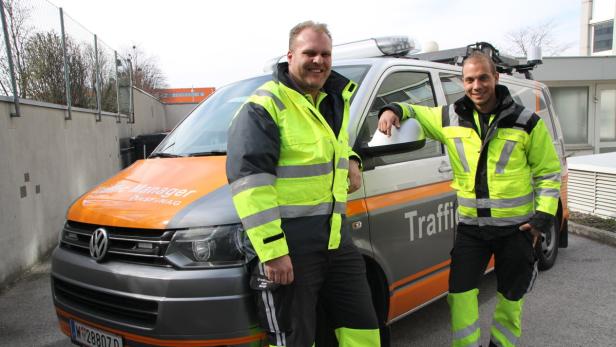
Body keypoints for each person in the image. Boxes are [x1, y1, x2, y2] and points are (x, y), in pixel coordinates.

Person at [378, 51, 561, 347]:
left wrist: (542, 217)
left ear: (496, 78)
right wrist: (392, 109)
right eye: (469, 79)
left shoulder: (526, 121)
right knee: (459, 294)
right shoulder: (450, 116)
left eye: (483, 78)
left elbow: (549, 173)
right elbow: (414, 112)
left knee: (511, 299)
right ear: (463, 82)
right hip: (471, 229)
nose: (476, 85)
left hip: (515, 229)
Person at [226, 21, 380, 347]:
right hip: (290, 245)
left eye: (325, 54)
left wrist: (352, 157)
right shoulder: (265, 104)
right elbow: (250, 182)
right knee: (296, 339)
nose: (318, 61)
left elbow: (325, 146)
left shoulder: (331, 100)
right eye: (309, 52)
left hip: (336, 239)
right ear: (290, 55)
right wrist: (273, 252)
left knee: (364, 328)